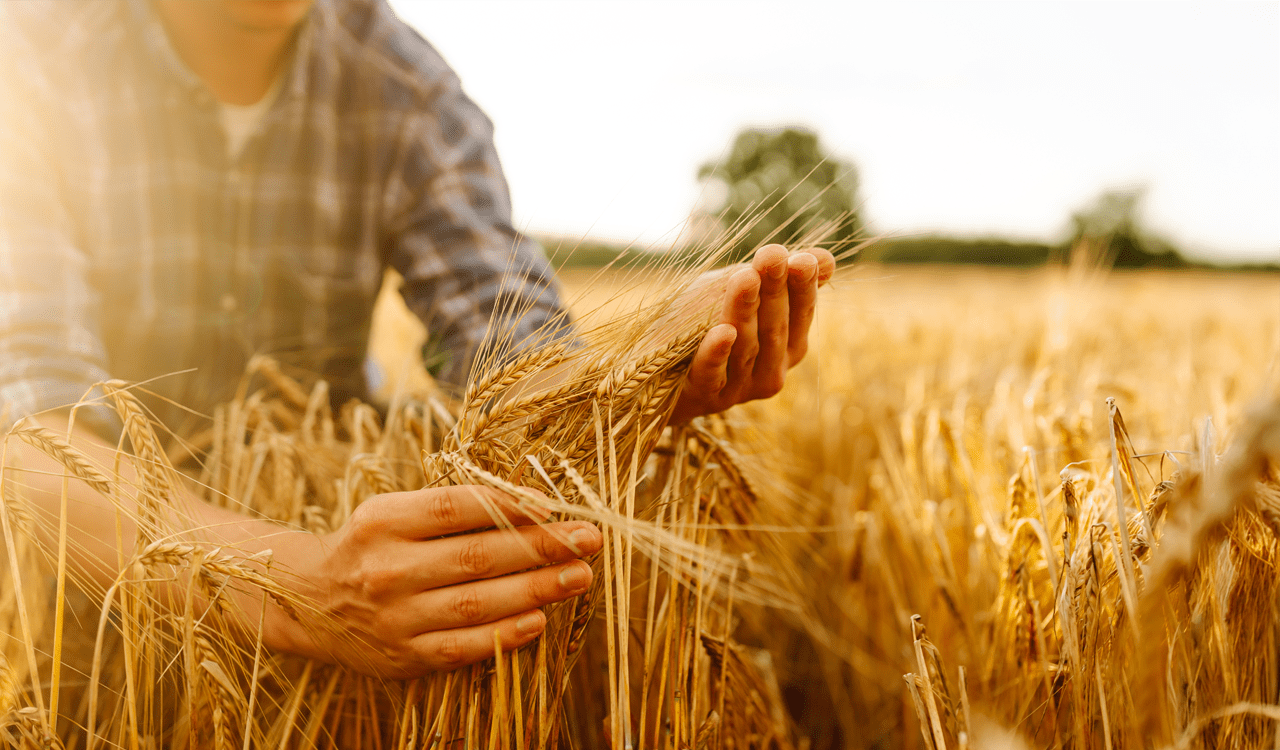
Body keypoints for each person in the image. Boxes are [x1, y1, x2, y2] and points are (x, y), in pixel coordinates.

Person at [0, 0, 835, 679]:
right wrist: (299, 586)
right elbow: (25, 432)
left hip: (333, 633)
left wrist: (640, 374)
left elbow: (510, 354)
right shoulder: (30, 56)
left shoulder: (407, 86)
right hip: (61, 624)